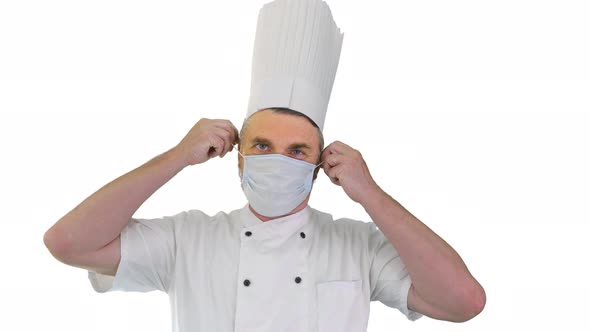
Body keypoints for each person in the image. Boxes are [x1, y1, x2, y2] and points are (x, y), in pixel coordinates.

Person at [44, 1, 485, 331]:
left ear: (319, 167)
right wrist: (177, 156)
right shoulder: (187, 239)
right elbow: (66, 241)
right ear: (237, 159)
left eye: (297, 151)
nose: (277, 159)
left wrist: (370, 192)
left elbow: (463, 301)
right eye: (261, 144)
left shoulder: (358, 246)